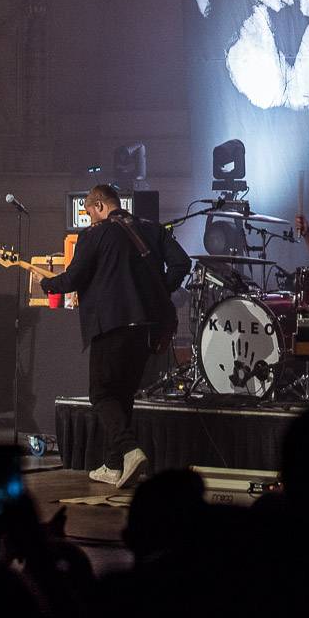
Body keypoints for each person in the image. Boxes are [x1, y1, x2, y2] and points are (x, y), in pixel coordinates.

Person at [37, 184, 191, 488]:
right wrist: (159, 290)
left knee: (101, 394)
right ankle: (112, 464)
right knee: (122, 396)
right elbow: (181, 264)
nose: (90, 218)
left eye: (89, 212)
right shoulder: (151, 229)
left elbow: (74, 278)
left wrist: (48, 284)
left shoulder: (94, 235)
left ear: (98, 206)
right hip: (145, 328)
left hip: (111, 325)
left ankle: (130, 450)